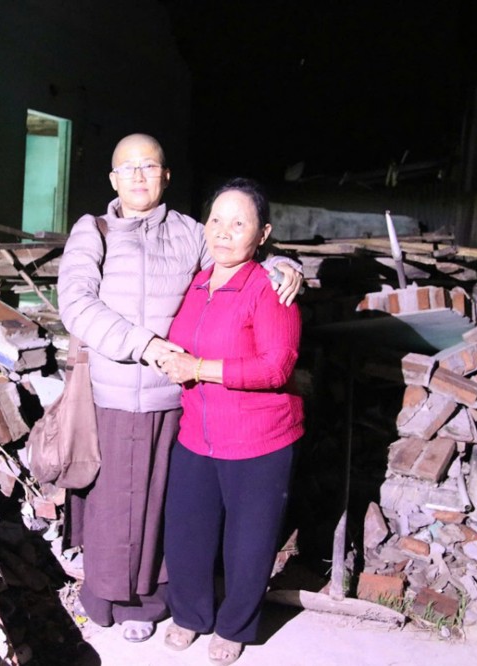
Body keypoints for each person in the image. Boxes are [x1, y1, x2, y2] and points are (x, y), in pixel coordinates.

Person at [57, 135, 302, 642]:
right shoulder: (94, 230)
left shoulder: (191, 232)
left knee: (165, 512)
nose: (138, 176)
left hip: (177, 399)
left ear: (166, 176)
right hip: (116, 391)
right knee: (114, 507)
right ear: (112, 179)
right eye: (128, 168)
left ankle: (155, 603)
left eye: (149, 166)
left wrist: (285, 267)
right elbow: (77, 303)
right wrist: (144, 345)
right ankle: (109, 599)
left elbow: (240, 255)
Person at [157, 177, 304, 665]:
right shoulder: (197, 282)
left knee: (249, 543)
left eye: (239, 223)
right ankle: (190, 615)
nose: (223, 231)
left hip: (259, 438)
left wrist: (197, 368)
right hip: (196, 433)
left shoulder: (270, 289)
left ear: (263, 234)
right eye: (216, 220)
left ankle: (235, 625)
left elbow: (276, 368)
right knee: (186, 532)